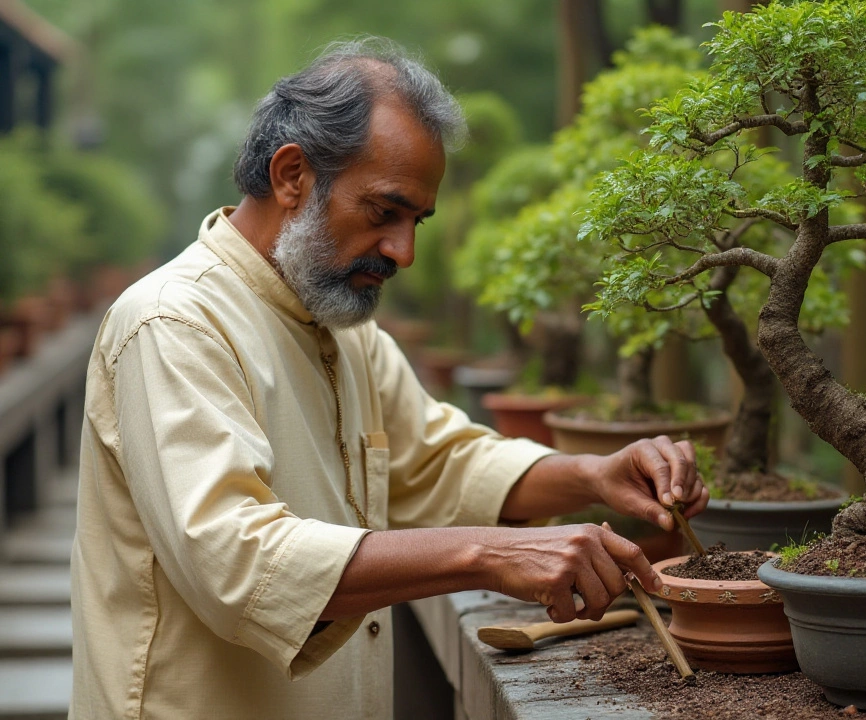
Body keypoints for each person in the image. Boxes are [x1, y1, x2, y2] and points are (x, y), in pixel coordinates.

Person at [69, 38, 708, 718]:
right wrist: (488, 554)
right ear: (292, 176)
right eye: (384, 212)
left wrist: (589, 475)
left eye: (416, 221)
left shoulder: (345, 330)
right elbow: (236, 561)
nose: (403, 251)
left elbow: (436, 462)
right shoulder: (174, 323)